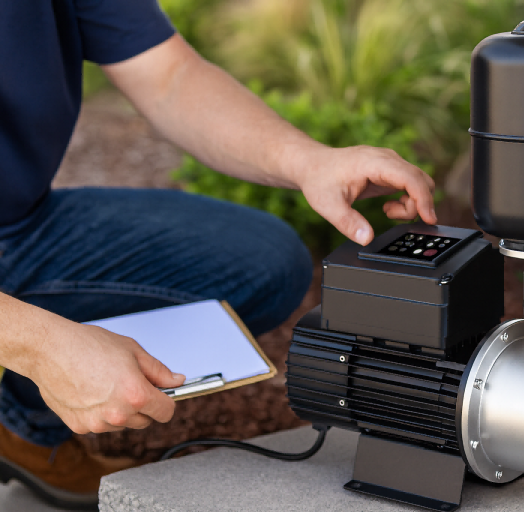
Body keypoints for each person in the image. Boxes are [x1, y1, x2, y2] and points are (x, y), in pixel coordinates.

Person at [0, 0, 436, 508]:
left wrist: (308, 161)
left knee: (262, 262)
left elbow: (169, 75)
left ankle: (17, 423)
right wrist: (39, 345)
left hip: (16, 224)